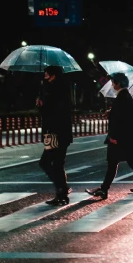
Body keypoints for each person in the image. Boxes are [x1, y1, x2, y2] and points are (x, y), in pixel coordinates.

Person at [86, 73, 133, 199]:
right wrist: (111, 113)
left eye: (113, 82)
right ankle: (105, 189)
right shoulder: (125, 96)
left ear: (118, 83)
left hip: (121, 138)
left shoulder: (122, 97)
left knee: (122, 164)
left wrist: (113, 136)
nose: (112, 84)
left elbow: (120, 120)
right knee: (121, 163)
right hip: (126, 138)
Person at [38, 66, 74, 206]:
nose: (45, 75)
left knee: (46, 162)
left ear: (53, 75)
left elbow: (53, 113)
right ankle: (62, 193)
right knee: (58, 164)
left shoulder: (55, 91)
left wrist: (43, 105)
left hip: (55, 133)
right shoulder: (55, 89)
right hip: (57, 133)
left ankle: (62, 189)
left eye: (47, 73)